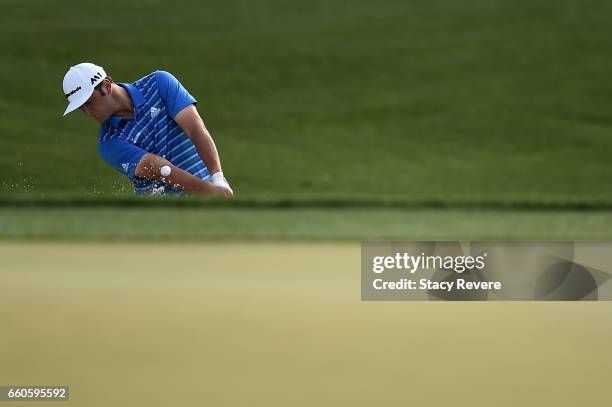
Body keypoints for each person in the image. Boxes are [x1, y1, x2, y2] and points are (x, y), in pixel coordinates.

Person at [62, 62, 233, 197]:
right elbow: (162, 170)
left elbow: (195, 129)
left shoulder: (159, 83)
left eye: (89, 102)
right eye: (81, 108)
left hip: (212, 193)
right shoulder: (109, 143)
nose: (88, 112)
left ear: (106, 86)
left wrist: (218, 179)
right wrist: (209, 191)